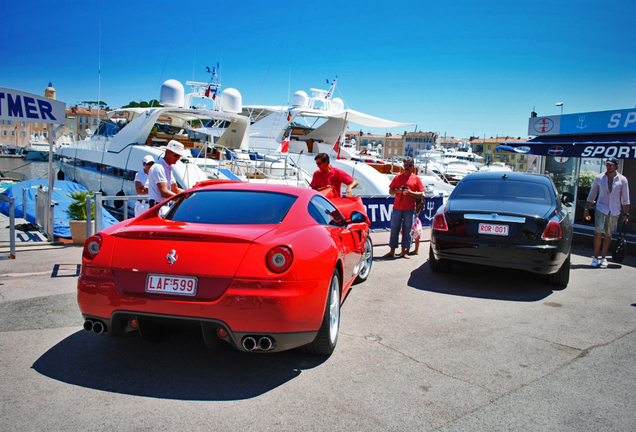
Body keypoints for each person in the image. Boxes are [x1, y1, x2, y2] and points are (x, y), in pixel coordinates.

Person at [585, 156, 630, 267]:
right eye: (607, 165)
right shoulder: (599, 178)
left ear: (616, 166)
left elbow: (625, 198)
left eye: (610, 165)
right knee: (598, 232)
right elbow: (592, 194)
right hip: (601, 208)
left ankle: (603, 257)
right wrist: (587, 209)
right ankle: (595, 257)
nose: (608, 167)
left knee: (608, 234)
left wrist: (625, 214)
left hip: (614, 210)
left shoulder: (622, 180)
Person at [384, 157, 424, 259]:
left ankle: (404, 252)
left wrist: (410, 192)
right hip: (397, 207)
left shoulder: (416, 179)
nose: (407, 167)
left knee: (407, 230)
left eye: (409, 165)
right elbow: (390, 191)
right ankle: (392, 251)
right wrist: (399, 191)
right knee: (394, 229)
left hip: (410, 208)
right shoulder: (398, 177)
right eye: (405, 165)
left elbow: (421, 193)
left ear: (413, 166)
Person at [148, 140, 188, 205]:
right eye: (176, 155)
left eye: (180, 156)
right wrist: (185, 201)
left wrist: (192, 194)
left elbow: (175, 189)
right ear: (168, 152)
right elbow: (164, 192)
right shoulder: (158, 167)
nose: (178, 158)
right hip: (157, 208)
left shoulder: (167, 168)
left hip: (164, 206)